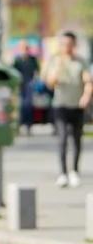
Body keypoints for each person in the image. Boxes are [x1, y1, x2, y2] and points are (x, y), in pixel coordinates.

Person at [45, 31, 93, 188]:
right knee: (62, 138)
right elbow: (50, 83)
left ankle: (74, 171)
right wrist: (58, 67)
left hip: (77, 105)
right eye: (64, 44)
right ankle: (63, 173)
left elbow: (87, 81)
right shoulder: (55, 60)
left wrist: (86, 96)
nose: (66, 47)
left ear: (74, 45)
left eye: (69, 44)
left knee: (77, 139)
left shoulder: (81, 61)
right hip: (60, 105)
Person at [13, 40, 39, 135]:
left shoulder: (32, 59)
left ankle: (28, 126)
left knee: (28, 106)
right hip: (20, 86)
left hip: (29, 85)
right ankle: (18, 126)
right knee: (20, 107)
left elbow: (36, 71)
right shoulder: (17, 60)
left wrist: (35, 81)